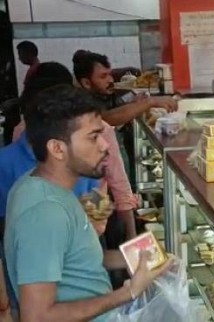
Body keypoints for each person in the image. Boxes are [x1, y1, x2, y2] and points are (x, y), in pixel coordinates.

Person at [4, 84, 172, 321]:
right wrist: (129, 292)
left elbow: (79, 260)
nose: (105, 146)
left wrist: (139, 258)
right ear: (57, 149)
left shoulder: (48, 189)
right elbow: (37, 317)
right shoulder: (45, 212)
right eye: (94, 137)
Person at [10, 62, 138, 242]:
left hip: (88, 227)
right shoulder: (32, 194)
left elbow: (110, 187)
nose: (102, 145)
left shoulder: (22, 132)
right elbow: (116, 183)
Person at [73, 52, 176, 126]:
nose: (110, 80)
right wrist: (149, 102)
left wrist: (135, 104)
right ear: (86, 83)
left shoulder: (99, 93)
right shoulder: (81, 101)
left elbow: (114, 108)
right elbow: (107, 118)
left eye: (110, 74)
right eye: (103, 76)